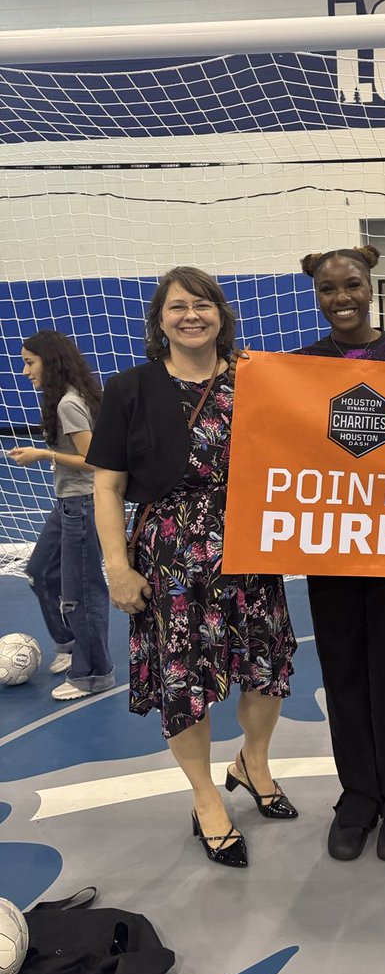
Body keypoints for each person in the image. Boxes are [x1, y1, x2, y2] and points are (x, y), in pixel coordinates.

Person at [88, 267, 297, 869]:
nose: (191, 315)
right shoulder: (130, 388)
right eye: (177, 306)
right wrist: (117, 567)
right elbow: (108, 487)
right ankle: (206, 798)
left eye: (203, 304)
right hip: (171, 554)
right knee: (184, 680)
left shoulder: (255, 380)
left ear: (221, 315)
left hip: (252, 547)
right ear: (160, 320)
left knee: (265, 664)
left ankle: (252, 762)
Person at [296, 245, 385, 862]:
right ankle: (357, 795)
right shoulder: (299, 365)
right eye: (329, 289)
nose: (342, 297)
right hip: (329, 547)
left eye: (352, 285)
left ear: (371, 287)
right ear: (317, 295)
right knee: (343, 670)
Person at [8, 331, 115, 702]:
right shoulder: (70, 397)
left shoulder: (68, 403)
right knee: (41, 572)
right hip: (67, 503)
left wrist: (44, 455)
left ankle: (94, 673)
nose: (24, 371)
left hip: (84, 505)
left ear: (49, 363)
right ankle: (68, 641)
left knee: (82, 592)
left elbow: (95, 460)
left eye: (29, 362)